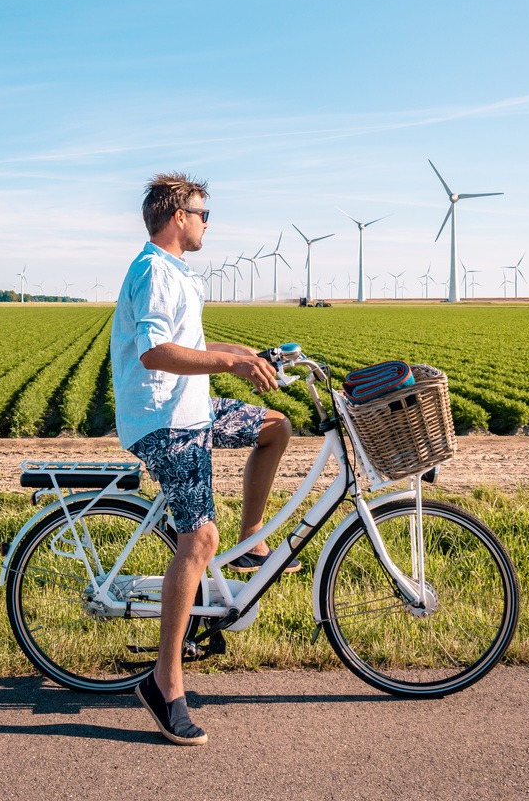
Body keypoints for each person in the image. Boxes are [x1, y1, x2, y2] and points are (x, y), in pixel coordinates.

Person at [110, 172, 297, 746]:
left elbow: (189, 342)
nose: (207, 221)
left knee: (275, 428)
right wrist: (227, 365)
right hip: (167, 422)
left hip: (194, 409)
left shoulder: (175, 273)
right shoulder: (153, 270)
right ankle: (165, 685)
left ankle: (254, 541)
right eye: (202, 212)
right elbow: (156, 351)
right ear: (176, 216)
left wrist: (243, 353)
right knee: (199, 538)